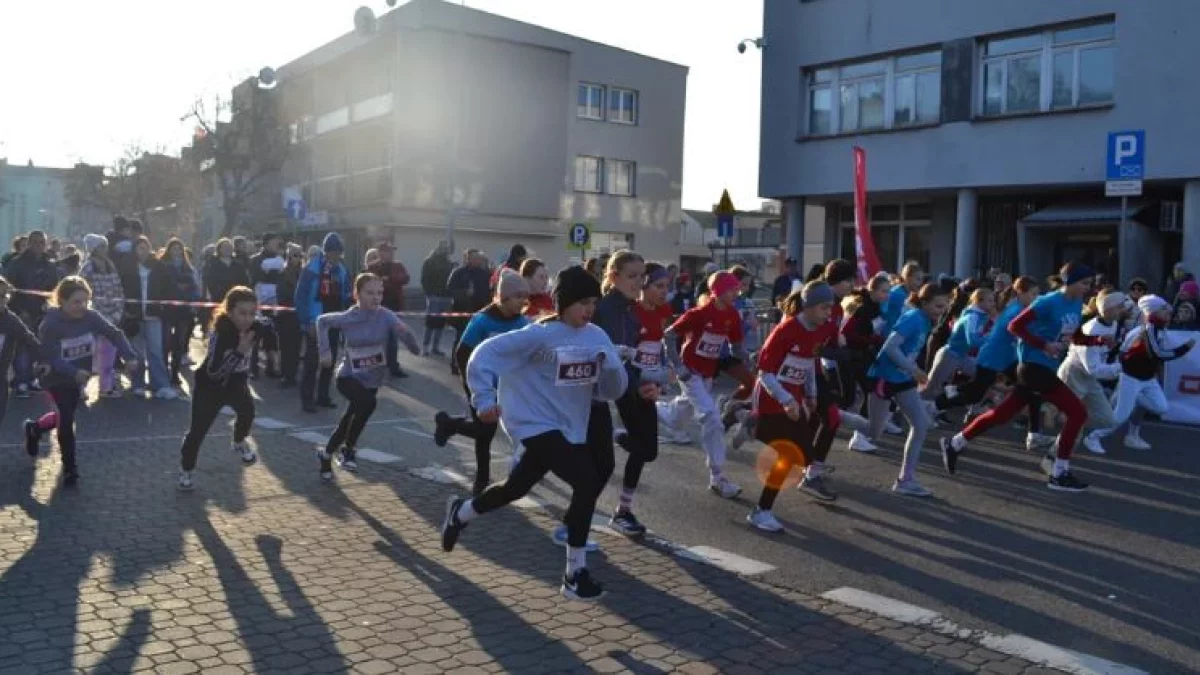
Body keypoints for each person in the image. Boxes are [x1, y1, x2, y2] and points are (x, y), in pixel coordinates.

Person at [439, 265, 627, 601]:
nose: (589, 310)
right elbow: (482, 356)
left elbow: (610, 391)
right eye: (582, 302)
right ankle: (574, 573)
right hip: (532, 423)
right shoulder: (537, 335)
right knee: (586, 480)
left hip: (569, 426)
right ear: (563, 302)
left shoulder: (596, 336)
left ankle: (462, 512)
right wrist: (482, 399)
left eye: (593, 303)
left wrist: (612, 367)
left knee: (514, 488)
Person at [941, 263, 1105, 492]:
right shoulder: (1048, 302)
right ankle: (1058, 473)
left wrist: (1095, 341)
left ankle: (955, 443)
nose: (1088, 289)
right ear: (1069, 282)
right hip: (1032, 367)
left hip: (1046, 367)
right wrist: (1043, 344)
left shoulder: (1076, 303)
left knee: (1002, 414)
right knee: (1078, 413)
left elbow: (1072, 333)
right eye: (1084, 283)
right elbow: (1014, 326)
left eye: (1090, 284)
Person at [747, 282, 872, 530]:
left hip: (795, 398)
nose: (830, 313)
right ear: (808, 306)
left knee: (804, 457)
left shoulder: (823, 329)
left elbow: (808, 364)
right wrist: (787, 400)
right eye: (825, 308)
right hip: (772, 399)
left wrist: (811, 394)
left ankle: (749, 425)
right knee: (789, 453)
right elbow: (765, 373)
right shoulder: (784, 331)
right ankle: (761, 511)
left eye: (831, 308)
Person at [24, 277, 138, 486]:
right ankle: (70, 468)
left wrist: (129, 356)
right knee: (67, 419)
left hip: (78, 376)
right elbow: (51, 357)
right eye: (76, 302)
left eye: (85, 301)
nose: (81, 307)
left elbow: (114, 333)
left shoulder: (91, 317)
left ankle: (36, 428)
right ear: (62, 301)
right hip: (55, 377)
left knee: (65, 412)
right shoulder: (50, 324)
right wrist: (73, 371)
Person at [312, 273, 420, 479]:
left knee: (349, 419)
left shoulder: (386, 315)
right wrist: (325, 352)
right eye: (370, 293)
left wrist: (410, 341)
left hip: (372, 377)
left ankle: (326, 455)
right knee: (368, 403)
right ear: (357, 294)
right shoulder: (348, 317)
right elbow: (321, 321)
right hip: (348, 376)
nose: (376, 297)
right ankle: (348, 450)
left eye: (379, 293)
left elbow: (404, 333)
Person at [433, 270, 531, 495]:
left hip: (510, 386)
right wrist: (473, 385)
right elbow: (462, 352)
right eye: (518, 297)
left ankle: (449, 424)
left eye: (525, 297)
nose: (523, 302)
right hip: (482, 385)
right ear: (504, 297)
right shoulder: (483, 320)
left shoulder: (523, 322)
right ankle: (482, 480)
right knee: (486, 432)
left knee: (495, 429)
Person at [593, 252, 666, 537]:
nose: (639, 282)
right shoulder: (605, 308)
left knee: (647, 448)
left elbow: (642, 355)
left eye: (641, 277)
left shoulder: (632, 309)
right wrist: (641, 383)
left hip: (630, 382)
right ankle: (578, 524)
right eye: (632, 276)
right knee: (598, 464)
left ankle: (622, 510)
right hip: (600, 390)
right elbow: (613, 357)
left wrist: (654, 382)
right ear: (613, 277)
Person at [935, 277, 1050, 450]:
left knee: (1032, 389)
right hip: (992, 358)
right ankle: (935, 405)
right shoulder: (1016, 311)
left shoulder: (1019, 307)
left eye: (1037, 294)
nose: (1036, 297)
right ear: (1020, 293)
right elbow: (1022, 331)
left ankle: (1034, 434)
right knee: (975, 394)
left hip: (1006, 359)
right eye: (1033, 294)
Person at [659, 270, 746, 498]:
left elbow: (737, 346)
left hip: (707, 375)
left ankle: (653, 407)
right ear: (717, 291)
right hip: (689, 372)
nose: (736, 293)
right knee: (712, 417)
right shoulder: (698, 314)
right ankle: (718, 477)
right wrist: (678, 366)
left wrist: (753, 358)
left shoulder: (733, 315)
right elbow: (668, 335)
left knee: (676, 419)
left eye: (737, 289)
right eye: (731, 289)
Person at [177, 287, 266, 490]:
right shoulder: (221, 333)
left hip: (237, 382)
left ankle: (238, 441)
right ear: (230, 311)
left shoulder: (256, 327)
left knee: (248, 411)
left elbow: (269, 330)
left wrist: (274, 347)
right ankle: (186, 470)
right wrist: (239, 351)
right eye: (242, 313)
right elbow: (214, 371)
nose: (247, 318)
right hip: (210, 385)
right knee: (198, 431)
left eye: (252, 313)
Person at [866, 283, 949, 497]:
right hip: (885, 377)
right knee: (873, 432)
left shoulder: (924, 320)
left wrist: (912, 371)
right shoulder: (913, 318)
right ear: (924, 303)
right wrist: (914, 370)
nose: (942, 312)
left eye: (945, 307)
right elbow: (890, 347)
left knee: (920, 425)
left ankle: (906, 479)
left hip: (902, 378)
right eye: (938, 307)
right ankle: (834, 415)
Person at [1083, 294, 1195, 453]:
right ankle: (1094, 436)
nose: (1168, 312)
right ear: (1153, 312)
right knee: (1120, 416)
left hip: (1148, 378)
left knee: (1161, 407)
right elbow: (1159, 354)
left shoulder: (1160, 328)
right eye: (1163, 309)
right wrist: (1185, 348)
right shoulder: (1145, 331)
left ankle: (1132, 434)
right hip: (1131, 377)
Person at [1060, 290, 1127, 455]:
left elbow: (1100, 360)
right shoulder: (1090, 330)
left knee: (1107, 420)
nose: (1123, 309)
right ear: (1107, 309)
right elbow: (1094, 369)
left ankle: (1066, 418)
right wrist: (1121, 366)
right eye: (1119, 306)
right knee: (1072, 426)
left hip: (1089, 377)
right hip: (1073, 375)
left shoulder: (1113, 324)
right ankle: (1056, 462)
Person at [296, 233, 352, 412]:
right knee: (312, 362)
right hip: (316, 321)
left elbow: (346, 294)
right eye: (331, 252)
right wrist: (306, 322)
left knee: (330, 361)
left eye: (337, 253)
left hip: (334, 321)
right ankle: (307, 399)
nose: (334, 256)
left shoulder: (342, 270)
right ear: (325, 251)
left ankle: (323, 396)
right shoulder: (312, 269)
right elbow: (300, 297)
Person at [4, 230, 59, 397]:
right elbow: (9, 288)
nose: (39, 245)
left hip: (42, 312)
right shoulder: (17, 263)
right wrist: (19, 310)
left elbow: (54, 287)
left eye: (42, 242)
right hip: (22, 311)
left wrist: (50, 306)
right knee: (22, 347)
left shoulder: (49, 264)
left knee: (38, 346)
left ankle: (31, 379)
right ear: (28, 243)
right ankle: (20, 381)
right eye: (35, 242)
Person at [840, 273, 891, 453]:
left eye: (888, 291)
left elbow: (867, 332)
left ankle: (863, 433)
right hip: (856, 356)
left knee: (869, 393)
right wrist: (871, 341)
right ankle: (859, 436)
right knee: (867, 393)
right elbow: (847, 332)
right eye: (884, 291)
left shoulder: (873, 307)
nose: (887, 295)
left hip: (863, 355)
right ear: (873, 290)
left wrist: (874, 340)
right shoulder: (862, 307)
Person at [121, 237, 177, 399]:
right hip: (135, 316)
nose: (142, 251)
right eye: (139, 248)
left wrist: (163, 308)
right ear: (134, 250)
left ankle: (160, 384)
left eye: (145, 247)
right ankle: (137, 383)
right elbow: (122, 289)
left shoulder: (159, 266)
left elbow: (168, 288)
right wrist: (127, 310)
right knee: (137, 352)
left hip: (154, 315)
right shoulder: (127, 267)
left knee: (155, 351)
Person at [923, 287, 995, 404]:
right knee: (931, 390)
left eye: (993, 301)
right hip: (949, 355)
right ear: (979, 301)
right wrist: (991, 338)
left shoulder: (977, 316)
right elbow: (973, 341)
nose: (993, 304)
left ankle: (957, 394)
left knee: (985, 375)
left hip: (961, 356)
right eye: (990, 301)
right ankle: (909, 408)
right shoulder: (972, 317)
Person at [79, 234, 126, 398]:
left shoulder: (111, 266)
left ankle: (106, 387)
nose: (105, 250)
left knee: (108, 353)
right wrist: (92, 311)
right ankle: (80, 387)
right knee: (87, 353)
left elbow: (119, 290)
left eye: (105, 246)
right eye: (101, 246)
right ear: (93, 249)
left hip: (112, 316)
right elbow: (80, 290)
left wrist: (117, 311)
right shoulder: (87, 267)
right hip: (94, 315)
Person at [160, 239, 202, 389]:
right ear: (169, 250)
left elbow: (195, 288)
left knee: (179, 342)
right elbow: (163, 286)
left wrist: (190, 297)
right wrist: (178, 288)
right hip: (167, 310)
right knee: (165, 342)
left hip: (184, 311)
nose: (177, 251)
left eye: (179, 249)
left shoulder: (188, 267)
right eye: (174, 248)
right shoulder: (162, 266)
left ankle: (175, 373)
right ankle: (163, 371)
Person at [0, 276, 41, 426]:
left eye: (4, 295)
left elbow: (29, 339)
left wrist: (44, 359)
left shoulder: (10, 320)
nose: (2, 300)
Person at [367, 240, 411, 379]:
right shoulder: (372, 267)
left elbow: (406, 278)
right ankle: (375, 366)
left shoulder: (398, 266)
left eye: (392, 251)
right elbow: (365, 282)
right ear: (381, 253)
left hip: (394, 307)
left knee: (392, 338)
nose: (391, 253)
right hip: (376, 307)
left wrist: (390, 279)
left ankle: (393, 366)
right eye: (388, 251)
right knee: (377, 338)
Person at [445, 249, 491, 375]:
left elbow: (488, 292)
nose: (478, 260)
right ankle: (456, 364)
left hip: (480, 312)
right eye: (475, 258)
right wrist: (464, 293)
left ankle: (474, 364)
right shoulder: (458, 273)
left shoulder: (484, 274)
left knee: (479, 340)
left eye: (479, 258)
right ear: (467, 258)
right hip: (462, 312)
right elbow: (449, 290)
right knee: (461, 339)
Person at [250, 233, 287, 380]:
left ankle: (272, 368)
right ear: (266, 244)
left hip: (276, 300)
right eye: (274, 242)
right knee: (256, 333)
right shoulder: (256, 259)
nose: (276, 245)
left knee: (272, 333)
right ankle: (253, 368)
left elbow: (282, 276)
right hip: (259, 299)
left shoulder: (281, 258)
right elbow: (255, 277)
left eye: (278, 243)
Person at [275, 243, 305, 388]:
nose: (298, 259)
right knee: (285, 347)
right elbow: (282, 295)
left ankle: (292, 375)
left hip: (299, 317)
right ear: (288, 256)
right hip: (285, 316)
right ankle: (286, 375)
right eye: (294, 255)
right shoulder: (282, 273)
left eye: (300, 255)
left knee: (296, 347)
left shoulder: (304, 273)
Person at [420, 240, 454, 357]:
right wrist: (429, 294)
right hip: (434, 296)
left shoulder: (449, 264)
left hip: (446, 297)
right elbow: (424, 279)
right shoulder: (429, 261)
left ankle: (435, 347)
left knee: (441, 323)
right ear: (438, 247)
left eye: (447, 248)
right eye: (443, 247)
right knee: (430, 322)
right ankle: (425, 347)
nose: (445, 250)